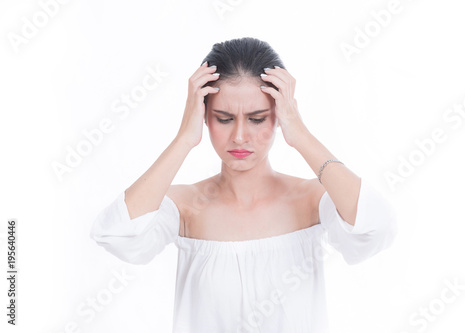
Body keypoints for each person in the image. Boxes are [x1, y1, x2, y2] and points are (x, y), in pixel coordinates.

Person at [90, 37, 397, 332]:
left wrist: (301, 135)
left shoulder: (310, 201)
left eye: (257, 118)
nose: (239, 136)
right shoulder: (185, 207)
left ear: (279, 116)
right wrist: (185, 138)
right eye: (223, 118)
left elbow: (376, 228)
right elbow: (115, 234)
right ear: (204, 117)